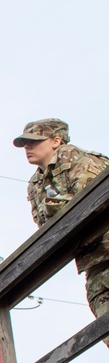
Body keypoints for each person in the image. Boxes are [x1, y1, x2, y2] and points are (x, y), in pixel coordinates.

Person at [15, 119, 109, 332]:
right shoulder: (35, 184)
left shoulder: (78, 160)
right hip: (95, 263)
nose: (27, 148)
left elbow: (94, 204)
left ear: (56, 140)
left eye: (34, 142)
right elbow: (47, 229)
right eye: (25, 144)